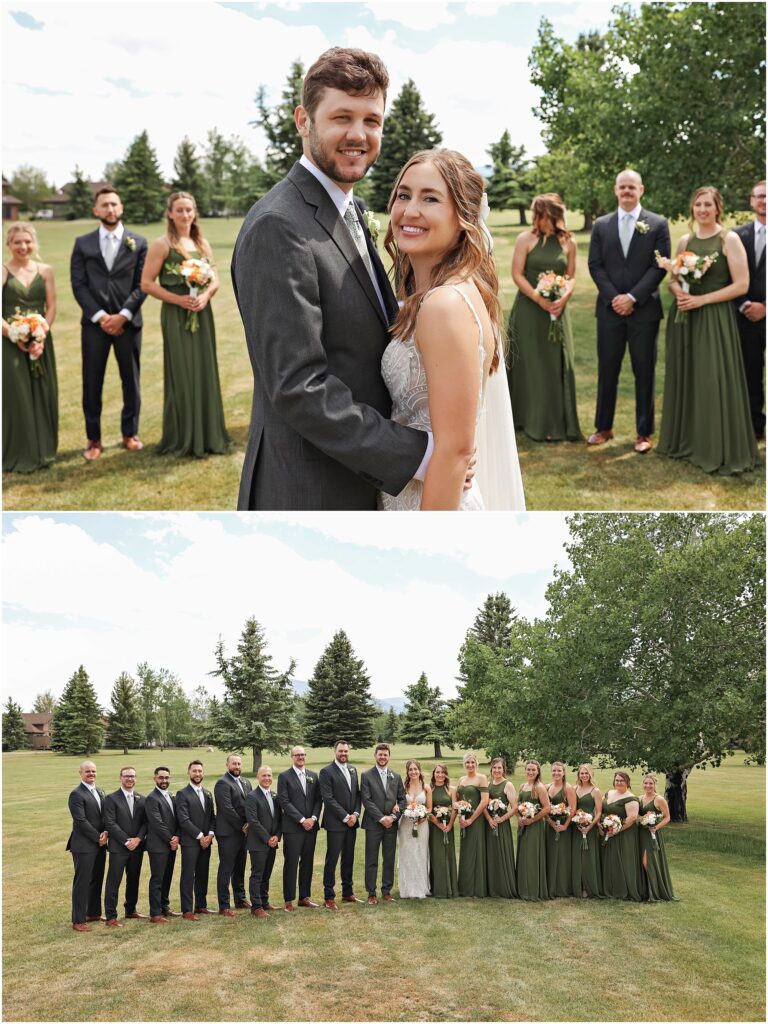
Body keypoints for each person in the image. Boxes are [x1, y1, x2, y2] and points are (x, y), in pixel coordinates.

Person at [232, 47, 428, 510]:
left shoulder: (352, 209)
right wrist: (416, 452)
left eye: (372, 121)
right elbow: (300, 387)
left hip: (356, 481)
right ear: (304, 120)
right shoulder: (279, 226)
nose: (359, 135)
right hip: (310, 489)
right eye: (342, 117)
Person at [380, 148, 525, 510]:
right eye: (403, 195)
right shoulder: (447, 292)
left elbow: (456, 454)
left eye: (430, 199)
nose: (410, 210)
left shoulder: (444, 304)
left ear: (463, 217)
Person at [657, 186, 757, 475]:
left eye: (707, 204)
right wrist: (679, 292)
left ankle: (717, 445)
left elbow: (741, 285)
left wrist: (701, 299)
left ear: (717, 208)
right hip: (685, 317)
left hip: (715, 317)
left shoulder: (730, 239)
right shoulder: (685, 240)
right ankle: (688, 440)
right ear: (693, 208)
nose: (702, 209)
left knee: (713, 379)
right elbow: (673, 279)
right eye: (697, 204)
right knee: (688, 376)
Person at [140, 191, 230, 457]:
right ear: (170, 213)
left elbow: (215, 279)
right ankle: (183, 436)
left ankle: (208, 433)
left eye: (189, 210)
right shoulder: (161, 244)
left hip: (202, 313)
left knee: (203, 369)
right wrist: (178, 301)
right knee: (182, 370)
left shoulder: (201, 242)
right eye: (179, 210)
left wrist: (204, 296)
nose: (185, 215)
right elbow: (146, 284)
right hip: (176, 315)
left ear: (195, 212)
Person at [587, 169, 671, 454]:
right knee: (607, 369)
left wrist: (633, 297)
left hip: (644, 311)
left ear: (641, 190)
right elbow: (595, 265)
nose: (626, 192)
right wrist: (615, 298)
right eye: (622, 187)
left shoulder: (658, 224)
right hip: (609, 311)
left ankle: (644, 432)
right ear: (615, 190)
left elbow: (659, 265)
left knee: (644, 370)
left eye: (631, 187)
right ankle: (603, 427)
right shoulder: (601, 224)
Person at [70, 186, 147, 459]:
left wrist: (123, 315)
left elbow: (142, 285)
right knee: (92, 382)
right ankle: (93, 440)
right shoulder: (82, 244)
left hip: (128, 323)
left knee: (131, 380)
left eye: (114, 204)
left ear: (121, 207)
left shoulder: (139, 242)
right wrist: (102, 316)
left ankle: (130, 432)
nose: (110, 209)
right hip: (94, 326)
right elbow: (78, 285)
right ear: (96, 210)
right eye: (104, 205)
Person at [507, 193, 581, 442]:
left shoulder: (569, 242)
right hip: (529, 310)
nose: (536, 219)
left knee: (554, 365)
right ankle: (527, 419)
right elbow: (517, 274)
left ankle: (554, 422)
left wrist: (564, 297)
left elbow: (571, 276)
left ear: (554, 215)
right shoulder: (524, 239)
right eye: (536, 214)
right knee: (532, 365)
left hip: (557, 312)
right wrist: (539, 298)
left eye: (541, 214)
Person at [2, 222, 58, 472]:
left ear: (34, 243)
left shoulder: (46, 270)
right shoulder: (2, 271)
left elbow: (52, 306)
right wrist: (15, 335)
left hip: (40, 342)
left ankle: (43, 448)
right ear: (8, 245)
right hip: (9, 344)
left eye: (27, 242)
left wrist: (41, 336)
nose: (23, 247)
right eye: (17, 242)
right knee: (16, 396)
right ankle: (17, 450)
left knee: (42, 391)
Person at [734, 181, 766, 440]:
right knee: (751, 373)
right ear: (751, 201)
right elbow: (728, 275)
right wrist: (745, 304)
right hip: (747, 318)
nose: (763, 201)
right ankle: (755, 427)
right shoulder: (737, 236)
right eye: (759, 197)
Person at [318, 740, 362, 909]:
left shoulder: (352, 769)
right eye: (341, 751)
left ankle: (347, 892)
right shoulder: (326, 772)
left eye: (346, 751)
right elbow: (328, 799)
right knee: (332, 859)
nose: (343, 754)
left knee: (348, 858)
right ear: (334, 751)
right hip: (336, 823)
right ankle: (329, 896)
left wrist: (356, 814)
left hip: (352, 823)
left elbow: (357, 795)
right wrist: (345, 816)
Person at [277, 746, 322, 911]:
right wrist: (302, 819)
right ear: (292, 757)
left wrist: (314, 818)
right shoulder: (284, 776)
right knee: (291, 862)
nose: (300, 757)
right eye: (297, 755)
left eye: (303, 754)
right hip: (293, 827)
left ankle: (304, 897)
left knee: (307, 862)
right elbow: (284, 801)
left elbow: (318, 799)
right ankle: (288, 900)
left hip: (311, 827)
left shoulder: (313, 776)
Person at [361, 742, 406, 903]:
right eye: (380, 754)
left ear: (389, 757)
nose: (382, 757)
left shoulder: (396, 776)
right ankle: (371, 893)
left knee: (389, 858)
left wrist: (393, 818)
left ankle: (386, 891)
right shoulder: (366, 776)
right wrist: (382, 818)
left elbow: (402, 800)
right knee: (371, 859)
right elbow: (366, 800)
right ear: (375, 756)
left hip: (391, 826)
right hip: (374, 824)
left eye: (385, 755)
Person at [66, 760, 108, 932]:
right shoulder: (76, 794)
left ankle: (94, 913)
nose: (91, 774)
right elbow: (80, 820)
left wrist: (105, 832)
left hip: (100, 844)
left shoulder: (99, 791)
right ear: (81, 773)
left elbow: (105, 815)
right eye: (88, 771)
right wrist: (97, 837)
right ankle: (78, 919)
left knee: (97, 879)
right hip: (83, 845)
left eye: (93, 771)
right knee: (82, 882)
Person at [103, 766, 147, 927]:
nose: (130, 779)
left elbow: (145, 822)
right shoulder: (111, 798)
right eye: (127, 776)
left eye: (133, 776)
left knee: (133, 879)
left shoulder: (142, 799)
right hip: (118, 848)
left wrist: (138, 839)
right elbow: (110, 822)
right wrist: (126, 841)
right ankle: (111, 916)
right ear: (120, 778)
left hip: (137, 847)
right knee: (114, 881)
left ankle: (131, 910)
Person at [175, 759, 217, 920]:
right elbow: (183, 819)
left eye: (200, 771)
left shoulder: (207, 793)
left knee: (202, 873)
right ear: (189, 773)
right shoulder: (182, 794)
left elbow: (212, 816)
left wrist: (210, 835)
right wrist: (200, 836)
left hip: (206, 841)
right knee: (188, 875)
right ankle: (187, 910)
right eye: (194, 771)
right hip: (190, 842)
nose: (197, 774)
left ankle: (201, 905)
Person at [213, 754, 252, 916]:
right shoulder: (222, 783)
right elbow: (227, 809)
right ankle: (224, 905)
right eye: (234, 764)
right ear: (227, 765)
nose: (237, 766)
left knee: (240, 867)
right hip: (228, 833)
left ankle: (240, 899)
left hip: (244, 832)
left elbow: (250, 804)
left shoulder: (245, 782)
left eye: (239, 764)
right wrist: (241, 825)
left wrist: (250, 822)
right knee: (226, 868)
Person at [599, 771, 645, 901]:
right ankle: (609, 886)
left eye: (622, 780)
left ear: (627, 783)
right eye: (617, 780)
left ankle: (623, 888)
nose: (619, 782)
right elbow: (600, 809)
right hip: (608, 831)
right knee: (608, 858)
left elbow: (632, 818)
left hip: (624, 834)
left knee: (622, 859)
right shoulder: (609, 793)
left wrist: (617, 830)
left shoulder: (631, 798)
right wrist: (600, 824)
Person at [144, 766, 181, 923]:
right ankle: (155, 913)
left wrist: (177, 837)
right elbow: (157, 823)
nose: (164, 780)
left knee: (167, 877)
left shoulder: (171, 797)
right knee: (157, 879)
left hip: (171, 844)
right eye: (161, 778)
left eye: (167, 778)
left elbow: (178, 819)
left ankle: (164, 907)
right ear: (155, 779)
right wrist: (170, 839)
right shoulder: (152, 798)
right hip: (158, 845)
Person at [245, 765, 282, 918]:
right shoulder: (252, 796)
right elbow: (253, 821)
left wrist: (277, 837)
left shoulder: (274, 795)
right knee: (257, 874)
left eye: (269, 775)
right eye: (264, 775)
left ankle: (265, 901)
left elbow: (280, 819)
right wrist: (267, 839)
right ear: (258, 777)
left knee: (266, 874)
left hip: (273, 842)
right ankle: (256, 906)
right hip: (258, 843)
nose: (267, 778)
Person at [638, 774, 678, 902]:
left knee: (648, 862)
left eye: (651, 783)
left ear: (655, 785)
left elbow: (667, 817)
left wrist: (656, 827)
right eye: (646, 783)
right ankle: (644, 891)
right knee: (640, 862)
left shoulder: (659, 799)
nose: (648, 786)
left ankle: (655, 891)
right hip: (640, 833)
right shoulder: (639, 798)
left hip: (652, 834)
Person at [515, 759, 550, 901]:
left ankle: (532, 890)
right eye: (528, 769)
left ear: (538, 771)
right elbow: (517, 804)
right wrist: (519, 817)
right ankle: (523, 888)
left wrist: (532, 819)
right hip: (523, 824)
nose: (530, 772)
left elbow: (547, 808)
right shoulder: (523, 786)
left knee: (532, 856)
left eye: (533, 770)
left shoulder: (539, 787)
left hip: (534, 826)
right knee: (523, 855)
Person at [483, 756, 518, 899]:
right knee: (490, 854)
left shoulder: (508, 785)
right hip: (489, 824)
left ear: (504, 769)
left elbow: (515, 808)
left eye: (499, 768)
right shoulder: (488, 784)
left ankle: (503, 887)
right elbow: (483, 804)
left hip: (502, 826)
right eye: (494, 767)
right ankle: (491, 887)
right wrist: (490, 819)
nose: (497, 770)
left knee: (501, 853)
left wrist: (501, 819)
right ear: (491, 769)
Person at [396, 759, 431, 899]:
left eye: (415, 769)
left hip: (422, 825)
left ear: (419, 770)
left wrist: (423, 817)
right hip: (405, 825)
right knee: (407, 854)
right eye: (410, 769)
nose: (413, 772)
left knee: (421, 853)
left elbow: (429, 808)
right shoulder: (403, 787)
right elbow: (399, 803)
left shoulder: (426, 787)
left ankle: (421, 887)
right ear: (407, 772)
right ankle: (407, 888)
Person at [455, 752, 489, 897]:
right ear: (464, 764)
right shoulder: (461, 779)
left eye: (472, 762)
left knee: (476, 849)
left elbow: (484, 801)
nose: (470, 765)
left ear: (476, 764)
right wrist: (460, 817)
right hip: (464, 819)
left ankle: (476, 888)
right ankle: (465, 887)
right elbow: (457, 799)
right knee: (466, 850)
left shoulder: (481, 778)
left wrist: (471, 819)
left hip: (476, 820)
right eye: (467, 762)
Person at [571, 764, 604, 899]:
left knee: (587, 857)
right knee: (576, 856)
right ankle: (576, 885)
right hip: (576, 828)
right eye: (581, 773)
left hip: (589, 828)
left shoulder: (595, 791)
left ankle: (587, 887)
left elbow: (599, 812)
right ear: (578, 775)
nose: (584, 776)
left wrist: (590, 826)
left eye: (586, 773)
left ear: (590, 774)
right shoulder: (574, 789)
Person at [545, 761, 575, 898]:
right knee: (550, 854)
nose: (556, 773)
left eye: (559, 771)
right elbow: (545, 808)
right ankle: (550, 886)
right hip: (550, 827)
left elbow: (573, 809)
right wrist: (550, 822)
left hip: (563, 828)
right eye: (554, 770)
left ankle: (562, 888)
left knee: (562, 856)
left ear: (563, 773)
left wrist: (565, 826)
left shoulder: (567, 788)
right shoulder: (547, 787)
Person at [427, 763, 458, 898]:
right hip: (434, 827)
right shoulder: (429, 790)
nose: (440, 775)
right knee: (436, 855)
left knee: (447, 854)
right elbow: (428, 810)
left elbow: (454, 808)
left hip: (448, 827)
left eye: (442, 772)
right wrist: (438, 823)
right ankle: (437, 888)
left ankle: (449, 887)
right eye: (437, 772)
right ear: (434, 774)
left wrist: (450, 824)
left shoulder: (451, 790)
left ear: (446, 774)